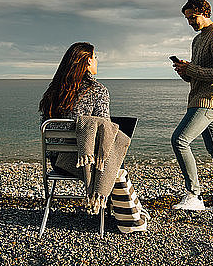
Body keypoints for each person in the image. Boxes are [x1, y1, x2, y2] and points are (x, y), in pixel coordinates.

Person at [39, 42, 150, 233]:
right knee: (113, 160)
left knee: (112, 161)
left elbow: (43, 125)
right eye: (95, 57)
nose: (97, 60)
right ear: (87, 61)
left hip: (57, 162)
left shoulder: (52, 91)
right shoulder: (98, 91)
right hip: (85, 163)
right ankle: (131, 216)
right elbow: (104, 129)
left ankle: (134, 210)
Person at [171, 0, 213, 211]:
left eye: (192, 17)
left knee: (179, 140)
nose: (190, 22)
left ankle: (194, 195)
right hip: (199, 97)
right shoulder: (198, 40)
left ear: (204, 12)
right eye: (187, 19)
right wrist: (184, 71)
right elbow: (195, 75)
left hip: (210, 99)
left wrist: (191, 69)